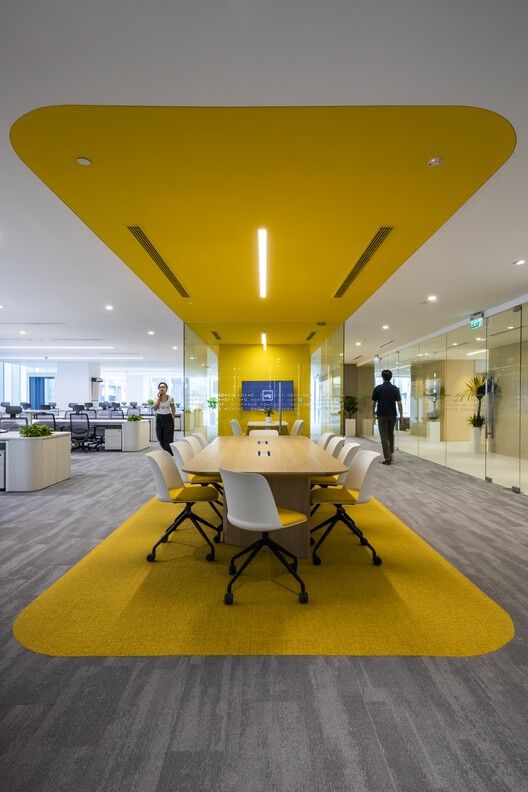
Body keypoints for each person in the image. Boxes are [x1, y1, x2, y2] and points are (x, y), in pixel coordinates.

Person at [372, 369, 403, 465]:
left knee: (384, 436)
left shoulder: (378, 388)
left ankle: (387, 457)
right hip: (393, 415)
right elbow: (399, 403)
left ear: (382, 377)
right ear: (391, 377)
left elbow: (373, 403)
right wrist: (401, 416)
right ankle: (391, 454)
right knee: (391, 434)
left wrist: (372, 412)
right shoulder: (395, 389)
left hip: (381, 415)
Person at [152, 381, 176, 454]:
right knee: (160, 436)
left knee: (168, 437)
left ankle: (170, 453)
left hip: (168, 418)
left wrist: (173, 416)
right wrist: (159, 399)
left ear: (166, 389)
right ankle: (169, 452)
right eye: (160, 387)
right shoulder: (156, 398)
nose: (161, 388)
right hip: (159, 418)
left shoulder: (170, 398)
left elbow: (173, 408)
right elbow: (154, 408)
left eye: (163, 387)